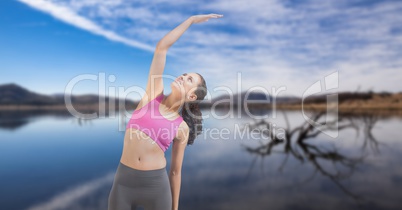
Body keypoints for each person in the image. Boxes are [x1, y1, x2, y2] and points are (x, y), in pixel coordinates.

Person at [108, 13, 223, 210]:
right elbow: (162, 47)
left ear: (193, 96)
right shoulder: (152, 95)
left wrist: (175, 208)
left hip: (156, 188)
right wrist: (190, 20)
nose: (183, 77)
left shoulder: (182, 128)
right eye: (185, 74)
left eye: (189, 80)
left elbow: (176, 172)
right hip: (123, 184)